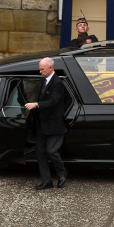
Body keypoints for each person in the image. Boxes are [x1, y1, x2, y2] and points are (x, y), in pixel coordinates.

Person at [25, 57, 68, 190]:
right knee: (40, 153)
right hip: (41, 124)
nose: (40, 71)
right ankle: (46, 181)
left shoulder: (58, 83)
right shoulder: (42, 80)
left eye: (42, 69)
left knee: (52, 151)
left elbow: (53, 101)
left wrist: (36, 105)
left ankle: (62, 173)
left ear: (50, 68)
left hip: (54, 124)